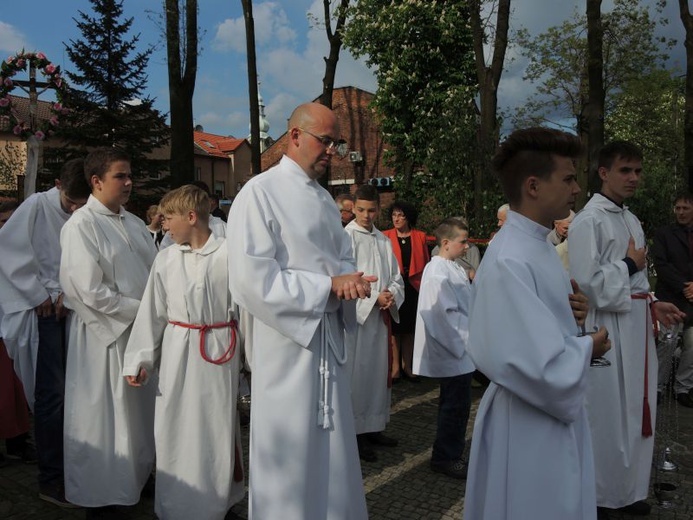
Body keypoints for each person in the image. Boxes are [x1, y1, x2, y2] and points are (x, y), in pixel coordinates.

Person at [227, 102, 372, 519]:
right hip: (287, 345)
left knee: (332, 453)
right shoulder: (260, 193)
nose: (332, 150)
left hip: (326, 343)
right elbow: (251, 279)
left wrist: (351, 280)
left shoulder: (326, 201)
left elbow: (341, 257)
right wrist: (327, 287)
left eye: (336, 142)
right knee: (289, 456)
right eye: (325, 140)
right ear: (294, 137)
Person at [464, 127, 611, 520]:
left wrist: (571, 313)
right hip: (526, 417)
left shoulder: (537, 244)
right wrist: (588, 346)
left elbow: (535, 323)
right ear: (533, 185)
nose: (577, 189)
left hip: (545, 410)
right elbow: (520, 356)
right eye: (567, 178)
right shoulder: (510, 255)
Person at [569, 141, 685, 516]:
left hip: (634, 325)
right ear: (603, 173)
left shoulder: (630, 217)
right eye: (625, 170)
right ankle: (603, 496)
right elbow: (586, 284)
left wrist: (652, 302)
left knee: (636, 409)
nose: (634, 178)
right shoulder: (589, 220)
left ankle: (629, 490)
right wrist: (631, 266)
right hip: (608, 330)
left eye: (637, 171)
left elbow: (632, 284)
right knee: (608, 414)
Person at [123, 185, 244, 520]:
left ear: (192, 217)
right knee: (175, 425)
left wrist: (252, 362)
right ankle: (177, 504)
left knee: (216, 426)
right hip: (178, 353)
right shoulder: (166, 258)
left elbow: (245, 311)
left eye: (169, 217)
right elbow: (153, 312)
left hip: (220, 351)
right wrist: (140, 358)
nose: (164, 225)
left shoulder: (229, 254)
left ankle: (219, 502)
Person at [59, 148, 158, 517]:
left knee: (136, 420)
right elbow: (88, 290)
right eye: (121, 176)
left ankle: (135, 480)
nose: (129, 182)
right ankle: (102, 499)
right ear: (96, 181)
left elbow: (154, 276)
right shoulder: (81, 226)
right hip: (104, 339)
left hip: (137, 334)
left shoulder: (132, 223)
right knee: (105, 422)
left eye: (130, 174)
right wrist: (144, 311)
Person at [0, 160, 90, 507]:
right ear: (56, 186)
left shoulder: (87, 210)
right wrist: (39, 294)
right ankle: (51, 479)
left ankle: (79, 468)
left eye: (81, 203)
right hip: (46, 310)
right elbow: (8, 251)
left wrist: (71, 292)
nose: (74, 209)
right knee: (52, 397)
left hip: (76, 306)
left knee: (80, 394)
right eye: (69, 202)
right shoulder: (37, 205)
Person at [344, 184, 404, 463]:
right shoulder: (347, 237)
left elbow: (396, 275)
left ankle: (374, 426)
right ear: (353, 209)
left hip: (379, 319)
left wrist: (391, 294)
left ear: (379, 210)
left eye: (371, 210)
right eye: (360, 210)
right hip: (358, 321)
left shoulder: (383, 239)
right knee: (359, 375)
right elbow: (346, 280)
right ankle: (356, 434)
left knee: (377, 376)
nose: (366, 215)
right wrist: (372, 299)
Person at [413, 217, 475, 480]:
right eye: (463, 241)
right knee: (454, 406)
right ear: (446, 243)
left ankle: (450, 452)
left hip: (461, 348)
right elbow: (441, 315)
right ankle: (445, 457)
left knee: (458, 405)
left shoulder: (452, 266)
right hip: (455, 349)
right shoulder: (437, 272)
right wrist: (469, 341)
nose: (467, 246)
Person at [653, 193, 693, 407]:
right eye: (677, 208)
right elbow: (661, 264)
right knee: (667, 343)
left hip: (692, 301)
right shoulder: (664, 234)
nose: (680, 212)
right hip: (670, 297)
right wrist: (685, 286)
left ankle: (683, 388)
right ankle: (657, 387)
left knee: (692, 345)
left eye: (685, 208)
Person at [383, 201, 430, 381]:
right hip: (395, 285)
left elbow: (425, 262)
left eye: (401, 215)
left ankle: (407, 365)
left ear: (408, 217)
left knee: (410, 329)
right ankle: (395, 367)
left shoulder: (420, 236)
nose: (397, 218)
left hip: (413, 286)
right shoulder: (385, 236)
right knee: (395, 329)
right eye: (394, 215)